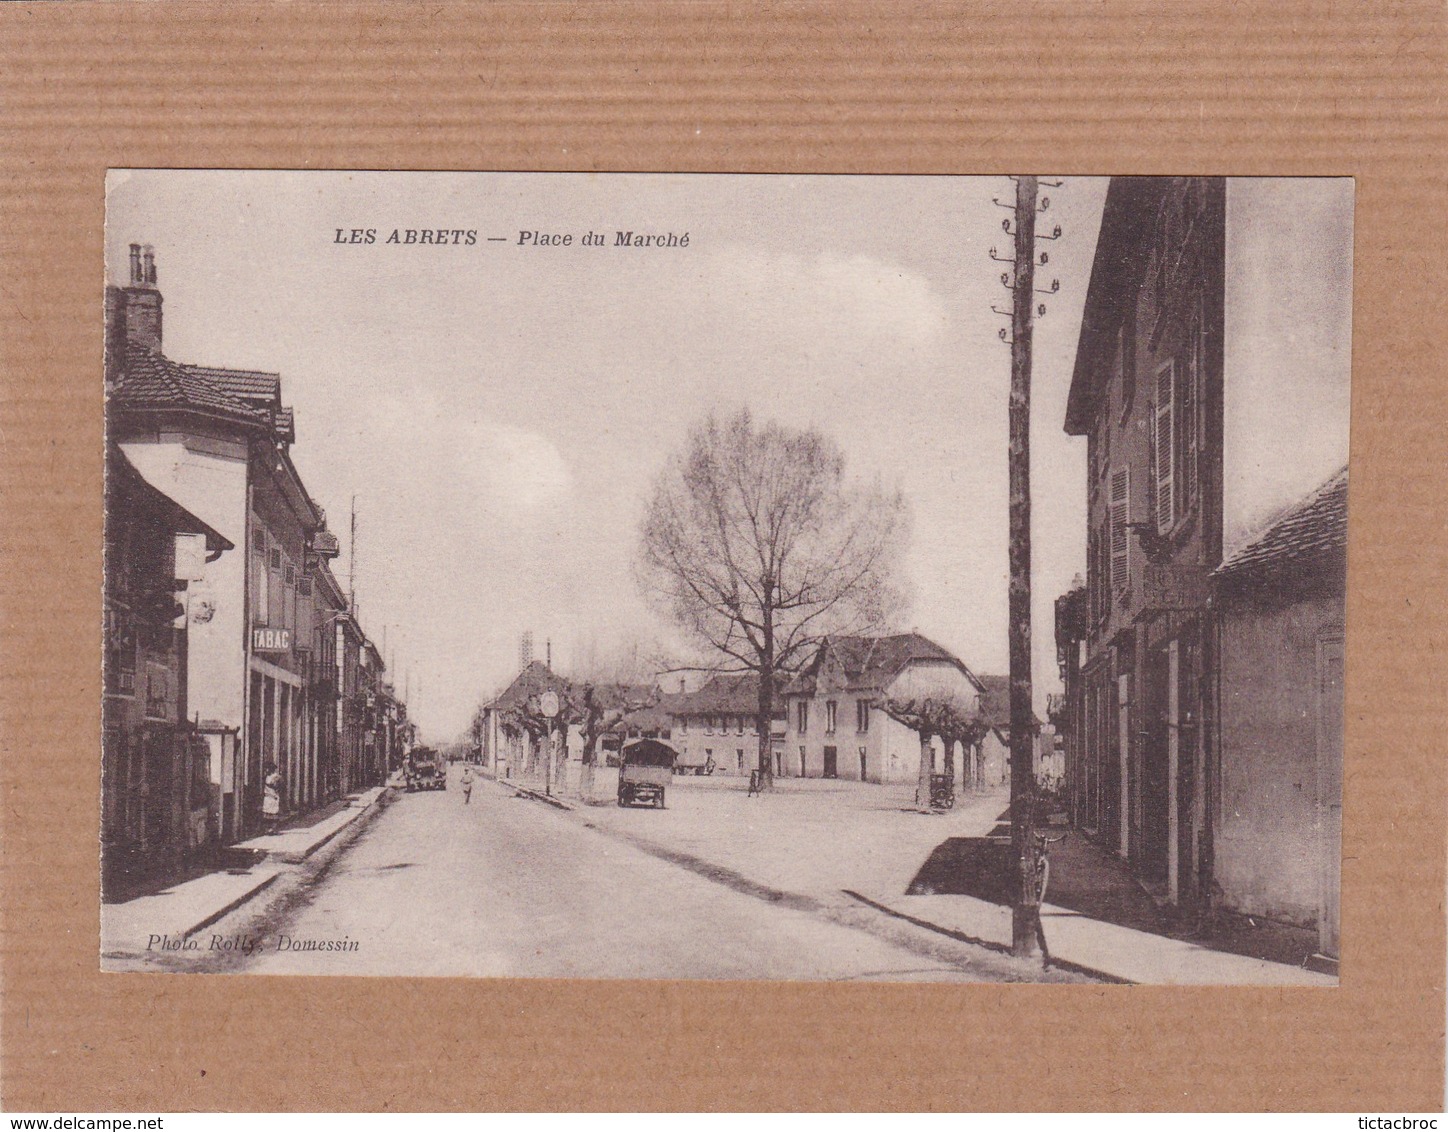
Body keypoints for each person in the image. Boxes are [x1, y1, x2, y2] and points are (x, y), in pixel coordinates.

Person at [262, 763, 283, 833]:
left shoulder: (276, 777)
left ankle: (273, 829)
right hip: (267, 796)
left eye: (267, 768)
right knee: (266, 813)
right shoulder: (267, 776)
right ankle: (267, 829)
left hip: (273, 796)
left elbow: (278, 785)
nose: (266, 770)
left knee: (274, 813)